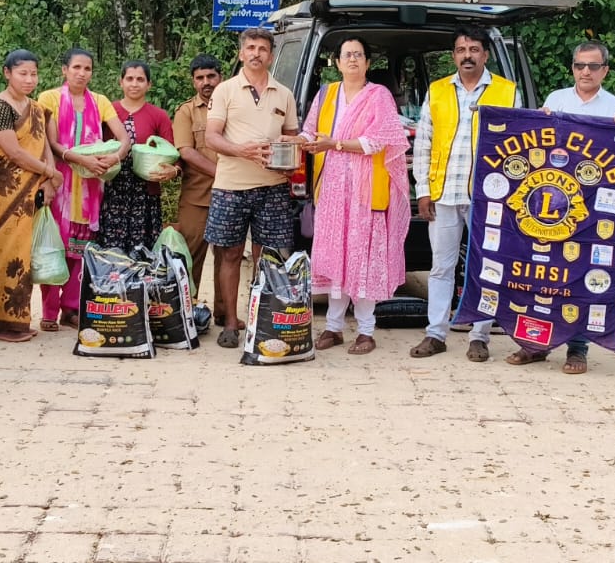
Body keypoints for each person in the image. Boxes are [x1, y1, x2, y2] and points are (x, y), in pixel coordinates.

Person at [506, 41, 615, 375]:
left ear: (605, 69)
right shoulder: (555, 100)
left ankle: (577, 349)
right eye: (579, 66)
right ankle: (535, 344)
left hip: (589, 211)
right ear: (573, 68)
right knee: (541, 275)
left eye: (592, 66)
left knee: (579, 277)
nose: (585, 72)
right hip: (551, 207)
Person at [409, 26, 522, 363]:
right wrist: (424, 190)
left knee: (487, 266)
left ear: (485, 55)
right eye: (461, 49)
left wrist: (507, 197)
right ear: (454, 56)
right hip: (444, 194)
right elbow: (424, 143)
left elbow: (517, 148)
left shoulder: (506, 91)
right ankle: (436, 334)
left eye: (474, 49)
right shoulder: (438, 90)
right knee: (440, 268)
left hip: (488, 198)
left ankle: (480, 336)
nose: (467, 55)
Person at [300, 38, 409, 355]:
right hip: (332, 190)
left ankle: (366, 331)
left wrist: (334, 143)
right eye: (347, 55)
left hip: (366, 190)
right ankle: (333, 328)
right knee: (335, 257)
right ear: (337, 62)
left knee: (361, 259)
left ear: (367, 63)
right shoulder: (326, 94)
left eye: (358, 55)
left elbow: (380, 140)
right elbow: (312, 131)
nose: (352, 60)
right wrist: (297, 139)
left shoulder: (379, 96)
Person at [205, 27, 304, 349]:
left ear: (271, 55)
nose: (256, 53)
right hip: (232, 185)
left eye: (263, 48)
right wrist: (240, 150)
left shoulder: (284, 93)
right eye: (250, 48)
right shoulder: (225, 90)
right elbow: (212, 137)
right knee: (230, 254)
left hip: (273, 187)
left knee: (269, 258)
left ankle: (262, 317)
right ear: (241, 53)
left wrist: (289, 157)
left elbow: (292, 136)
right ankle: (231, 323)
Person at [36, 49, 129, 331]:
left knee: (81, 249)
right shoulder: (48, 98)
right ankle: (49, 312)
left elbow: (123, 137)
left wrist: (115, 156)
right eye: (76, 67)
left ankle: (72, 308)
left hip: (90, 185)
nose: (82, 73)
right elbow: (51, 143)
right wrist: (78, 159)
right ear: (64, 70)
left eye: (87, 68)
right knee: (55, 247)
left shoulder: (100, 101)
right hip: (59, 180)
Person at [0, 50, 65, 342]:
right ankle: (1, 323)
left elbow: (43, 145)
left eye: (33, 74)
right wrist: (49, 171)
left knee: (24, 254)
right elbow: (14, 151)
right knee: (5, 252)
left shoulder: (36, 108)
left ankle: (19, 320)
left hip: (33, 187)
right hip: (5, 190)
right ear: (7, 73)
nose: (29, 79)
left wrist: (50, 179)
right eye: (23, 73)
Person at [101, 61, 178, 252]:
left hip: (145, 194)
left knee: (142, 252)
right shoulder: (108, 111)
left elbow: (173, 153)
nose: (134, 84)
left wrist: (174, 170)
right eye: (129, 79)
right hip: (112, 192)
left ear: (149, 84)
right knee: (112, 251)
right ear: (121, 82)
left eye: (140, 79)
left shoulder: (159, 116)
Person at [172, 54, 223, 309]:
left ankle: (224, 316)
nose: (206, 82)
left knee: (227, 257)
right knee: (190, 257)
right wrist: (221, 173)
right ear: (193, 82)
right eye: (200, 78)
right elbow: (186, 151)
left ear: (220, 77)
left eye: (211, 76)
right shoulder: (186, 112)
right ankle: (186, 312)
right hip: (197, 196)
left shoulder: (233, 106)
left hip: (231, 194)